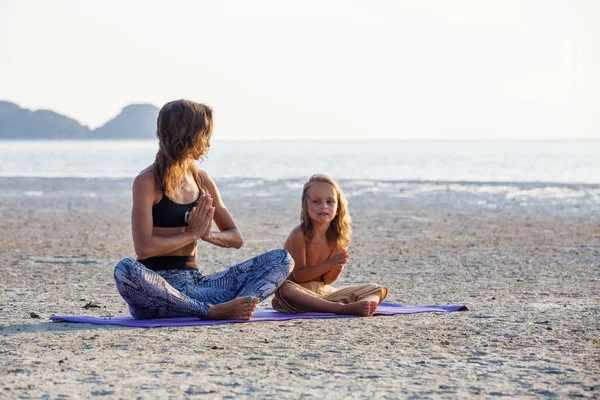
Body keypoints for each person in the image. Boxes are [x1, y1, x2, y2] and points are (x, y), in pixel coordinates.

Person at [114, 99, 293, 320]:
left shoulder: (202, 181)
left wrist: (207, 235)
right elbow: (144, 248)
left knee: (282, 259)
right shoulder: (147, 181)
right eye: (205, 135)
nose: (208, 144)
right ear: (187, 135)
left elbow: (236, 238)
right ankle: (212, 311)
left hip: (198, 286)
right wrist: (191, 234)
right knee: (124, 269)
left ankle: (240, 305)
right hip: (156, 291)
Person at [272, 174, 387, 316]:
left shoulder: (338, 238)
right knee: (284, 289)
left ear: (338, 206)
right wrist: (330, 263)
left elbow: (327, 280)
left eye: (330, 201)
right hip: (299, 292)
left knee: (376, 288)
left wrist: (337, 267)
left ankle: (368, 304)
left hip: (324, 293)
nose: (323, 206)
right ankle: (341, 309)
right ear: (305, 205)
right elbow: (299, 275)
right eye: (316, 201)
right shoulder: (299, 234)